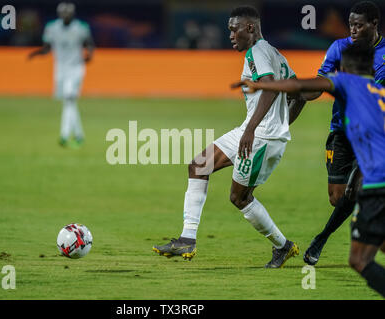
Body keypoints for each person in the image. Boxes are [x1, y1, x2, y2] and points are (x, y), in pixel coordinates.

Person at [153, 6, 305, 268]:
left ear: (250, 28)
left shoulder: (258, 53)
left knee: (239, 198)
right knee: (199, 164)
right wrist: (282, 123)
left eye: (234, 29)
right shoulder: (275, 54)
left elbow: (268, 88)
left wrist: (260, 130)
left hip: (260, 138)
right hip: (255, 131)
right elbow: (299, 93)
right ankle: (187, 238)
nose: (231, 35)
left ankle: (283, 246)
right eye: (229, 30)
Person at [232, 43, 385, 297]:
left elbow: (301, 86)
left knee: (359, 259)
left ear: (344, 68)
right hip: (376, 178)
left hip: (376, 185)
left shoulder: (347, 82)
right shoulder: (380, 92)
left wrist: (262, 85)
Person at [302, 1, 385, 265]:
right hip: (341, 130)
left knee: (358, 187)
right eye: (351, 24)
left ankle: (322, 238)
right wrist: (301, 92)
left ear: (374, 24)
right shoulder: (339, 48)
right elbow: (322, 81)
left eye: (359, 25)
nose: (353, 30)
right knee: (338, 197)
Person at [28, 2, 95, 148]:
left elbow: (89, 43)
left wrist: (89, 55)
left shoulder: (81, 28)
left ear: (72, 14)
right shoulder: (52, 28)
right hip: (60, 69)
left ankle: (64, 135)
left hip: (76, 68)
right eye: (63, 14)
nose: (66, 16)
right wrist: (36, 53)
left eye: (68, 14)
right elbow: (47, 48)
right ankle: (79, 135)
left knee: (69, 99)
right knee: (69, 102)